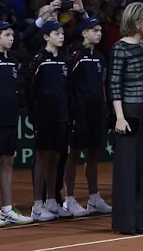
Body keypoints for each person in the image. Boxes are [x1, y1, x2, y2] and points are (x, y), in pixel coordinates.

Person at [108, 2, 143, 235]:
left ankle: (138, 221)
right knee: (127, 169)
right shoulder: (119, 49)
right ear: (137, 23)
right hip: (127, 112)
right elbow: (114, 84)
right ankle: (124, 222)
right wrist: (119, 117)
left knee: (141, 168)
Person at [0, 21, 34, 227]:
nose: (11, 38)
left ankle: (7, 210)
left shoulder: (12, 62)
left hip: (11, 119)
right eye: (7, 35)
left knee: (8, 161)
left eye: (12, 34)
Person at [63, 18, 112, 217]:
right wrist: (72, 112)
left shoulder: (99, 57)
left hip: (96, 113)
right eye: (94, 30)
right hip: (78, 114)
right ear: (84, 33)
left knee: (93, 154)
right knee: (73, 155)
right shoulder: (75, 56)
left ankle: (93, 198)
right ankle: (69, 199)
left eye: (100, 30)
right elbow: (68, 86)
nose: (99, 33)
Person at [28, 21, 72, 221]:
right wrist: (35, 115)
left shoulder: (64, 59)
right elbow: (31, 89)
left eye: (62, 33)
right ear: (46, 37)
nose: (61, 36)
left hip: (61, 116)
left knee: (56, 158)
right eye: (56, 33)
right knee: (42, 159)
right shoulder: (38, 59)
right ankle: (38, 204)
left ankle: (52, 201)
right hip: (44, 117)